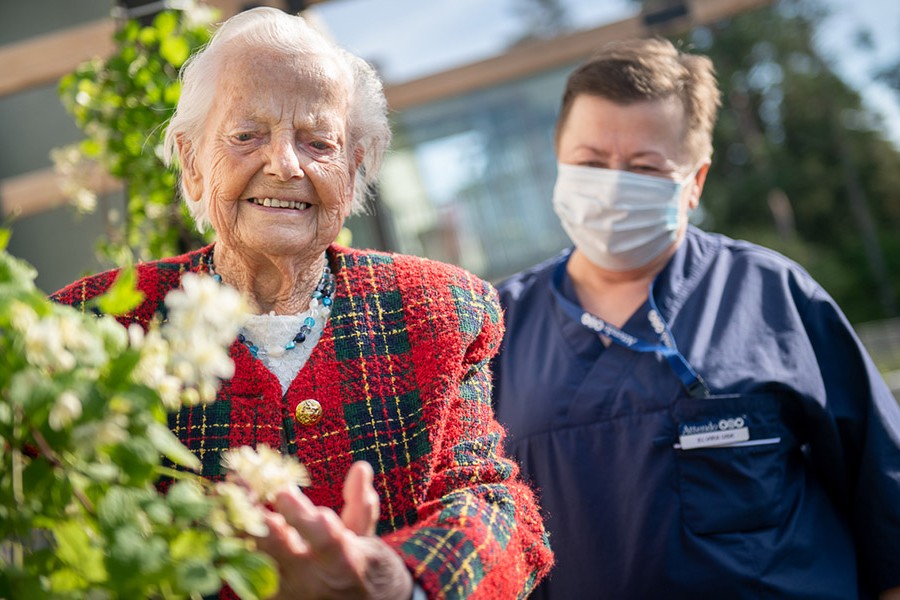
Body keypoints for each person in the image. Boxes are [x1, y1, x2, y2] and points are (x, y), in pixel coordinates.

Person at [52, 7, 552, 599]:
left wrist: (398, 578)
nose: (285, 165)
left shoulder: (441, 309)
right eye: (246, 136)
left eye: (319, 142)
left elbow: (494, 503)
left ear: (354, 169)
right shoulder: (98, 325)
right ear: (191, 165)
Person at [492, 37, 900, 599]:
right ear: (558, 163)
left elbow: (885, 500)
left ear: (696, 182)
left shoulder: (770, 295)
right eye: (590, 163)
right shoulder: (492, 327)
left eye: (643, 167)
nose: (613, 187)